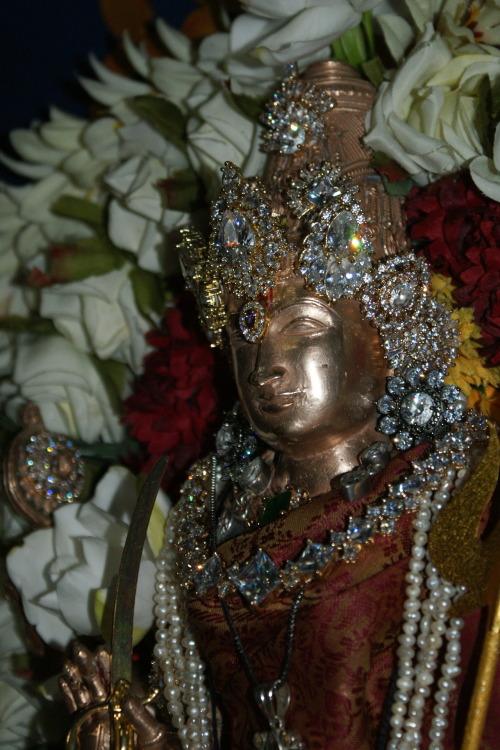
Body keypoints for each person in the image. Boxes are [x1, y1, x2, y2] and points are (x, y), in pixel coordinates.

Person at [60, 62, 500, 750]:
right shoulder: (214, 518)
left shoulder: (450, 501)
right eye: (245, 340)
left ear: (387, 328)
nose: (268, 365)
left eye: (302, 329)